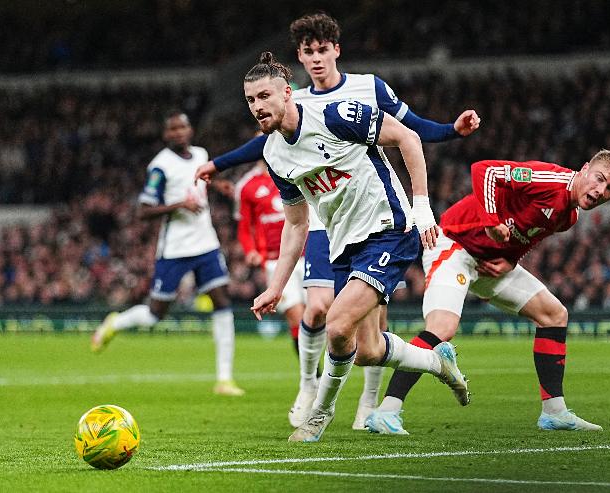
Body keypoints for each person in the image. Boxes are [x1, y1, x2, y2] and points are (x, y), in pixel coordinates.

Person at [197, 12, 480, 430]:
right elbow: (295, 226)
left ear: (287, 93)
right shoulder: (274, 155)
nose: (257, 107)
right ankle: (439, 364)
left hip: (389, 227)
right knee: (366, 349)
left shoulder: (336, 114)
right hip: (342, 241)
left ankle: (318, 415)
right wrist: (275, 287)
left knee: (336, 321)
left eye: (264, 97)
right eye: (250, 101)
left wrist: (422, 207)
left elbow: (409, 136)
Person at [366, 150, 610, 434]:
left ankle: (554, 412)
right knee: (442, 328)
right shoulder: (550, 180)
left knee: (554, 314)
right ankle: (386, 411)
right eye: (599, 179)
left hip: (488, 262)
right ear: (585, 168)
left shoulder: (569, 217)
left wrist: (511, 261)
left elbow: (529, 235)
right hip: (454, 244)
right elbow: (485, 170)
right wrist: (492, 221)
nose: (600, 191)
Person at [91, 111, 244, 397]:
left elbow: (201, 181)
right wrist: (179, 205)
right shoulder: (160, 167)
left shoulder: (201, 154)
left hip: (206, 243)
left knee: (222, 301)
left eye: (183, 126)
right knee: (155, 314)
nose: (179, 132)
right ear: (165, 135)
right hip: (175, 248)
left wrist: (218, 185)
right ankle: (116, 322)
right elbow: (143, 211)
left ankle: (224, 379)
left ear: (190, 129)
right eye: (172, 129)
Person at [234, 159, 306, 355]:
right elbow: (244, 225)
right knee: (296, 315)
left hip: (309, 254)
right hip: (276, 261)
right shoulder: (247, 186)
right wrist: (250, 250)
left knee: (317, 315)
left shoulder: (297, 169)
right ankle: (311, 376)